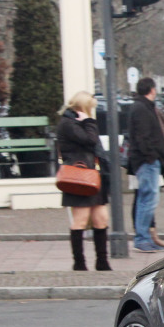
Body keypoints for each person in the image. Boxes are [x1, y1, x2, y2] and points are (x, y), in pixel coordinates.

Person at [57, 92, 112, 271]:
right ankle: (79, 263)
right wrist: (89, 121)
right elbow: (90, 139)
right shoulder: (68, 124)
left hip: (94, 177)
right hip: (79, 179)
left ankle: (102, 262)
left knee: (101, 219)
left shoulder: (77, 123)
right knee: (80, 221)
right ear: (83, 107)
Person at [126, 77, 164, 252]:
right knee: (148, 200)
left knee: (147, 199)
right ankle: (142, 238)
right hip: (146, 161)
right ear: (152, 90)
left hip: (147, 160)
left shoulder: (142, 107)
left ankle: (144, 237)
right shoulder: (142, 108)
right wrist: (151, 156)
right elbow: (143, 136)